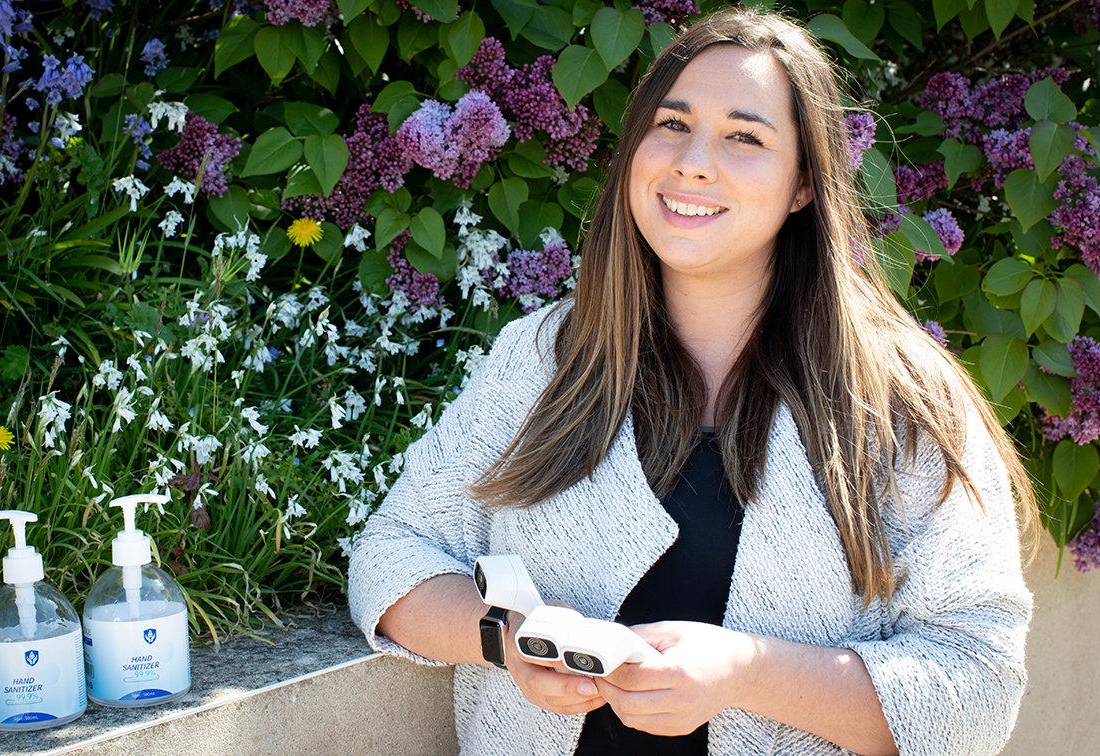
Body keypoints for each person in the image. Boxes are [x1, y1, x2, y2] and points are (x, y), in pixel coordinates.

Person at [348, 6, 1038, 756]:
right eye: (671, 123)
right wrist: (509, 639)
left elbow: (977, 686)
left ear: (804, 185)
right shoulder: (544, 358)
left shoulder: (900, 401)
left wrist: (745, 671)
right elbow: (393, 553)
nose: (692, 161)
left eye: (745, 137)